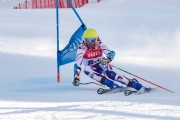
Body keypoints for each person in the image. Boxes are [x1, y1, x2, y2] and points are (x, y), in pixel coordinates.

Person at [73, 28, 146, 92]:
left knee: (111, 74)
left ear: (96, 39)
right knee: (86, 69)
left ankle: (134, 84)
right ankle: (112, 85)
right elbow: (78, 64)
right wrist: (76, 77)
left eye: (92, 40)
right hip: (92, 68)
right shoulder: (81, 48)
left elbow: (111, 53)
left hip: (101, 63)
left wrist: (107, 60)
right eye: (87, 40)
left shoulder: (100, 44)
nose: (90, 42)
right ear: (84, 40)